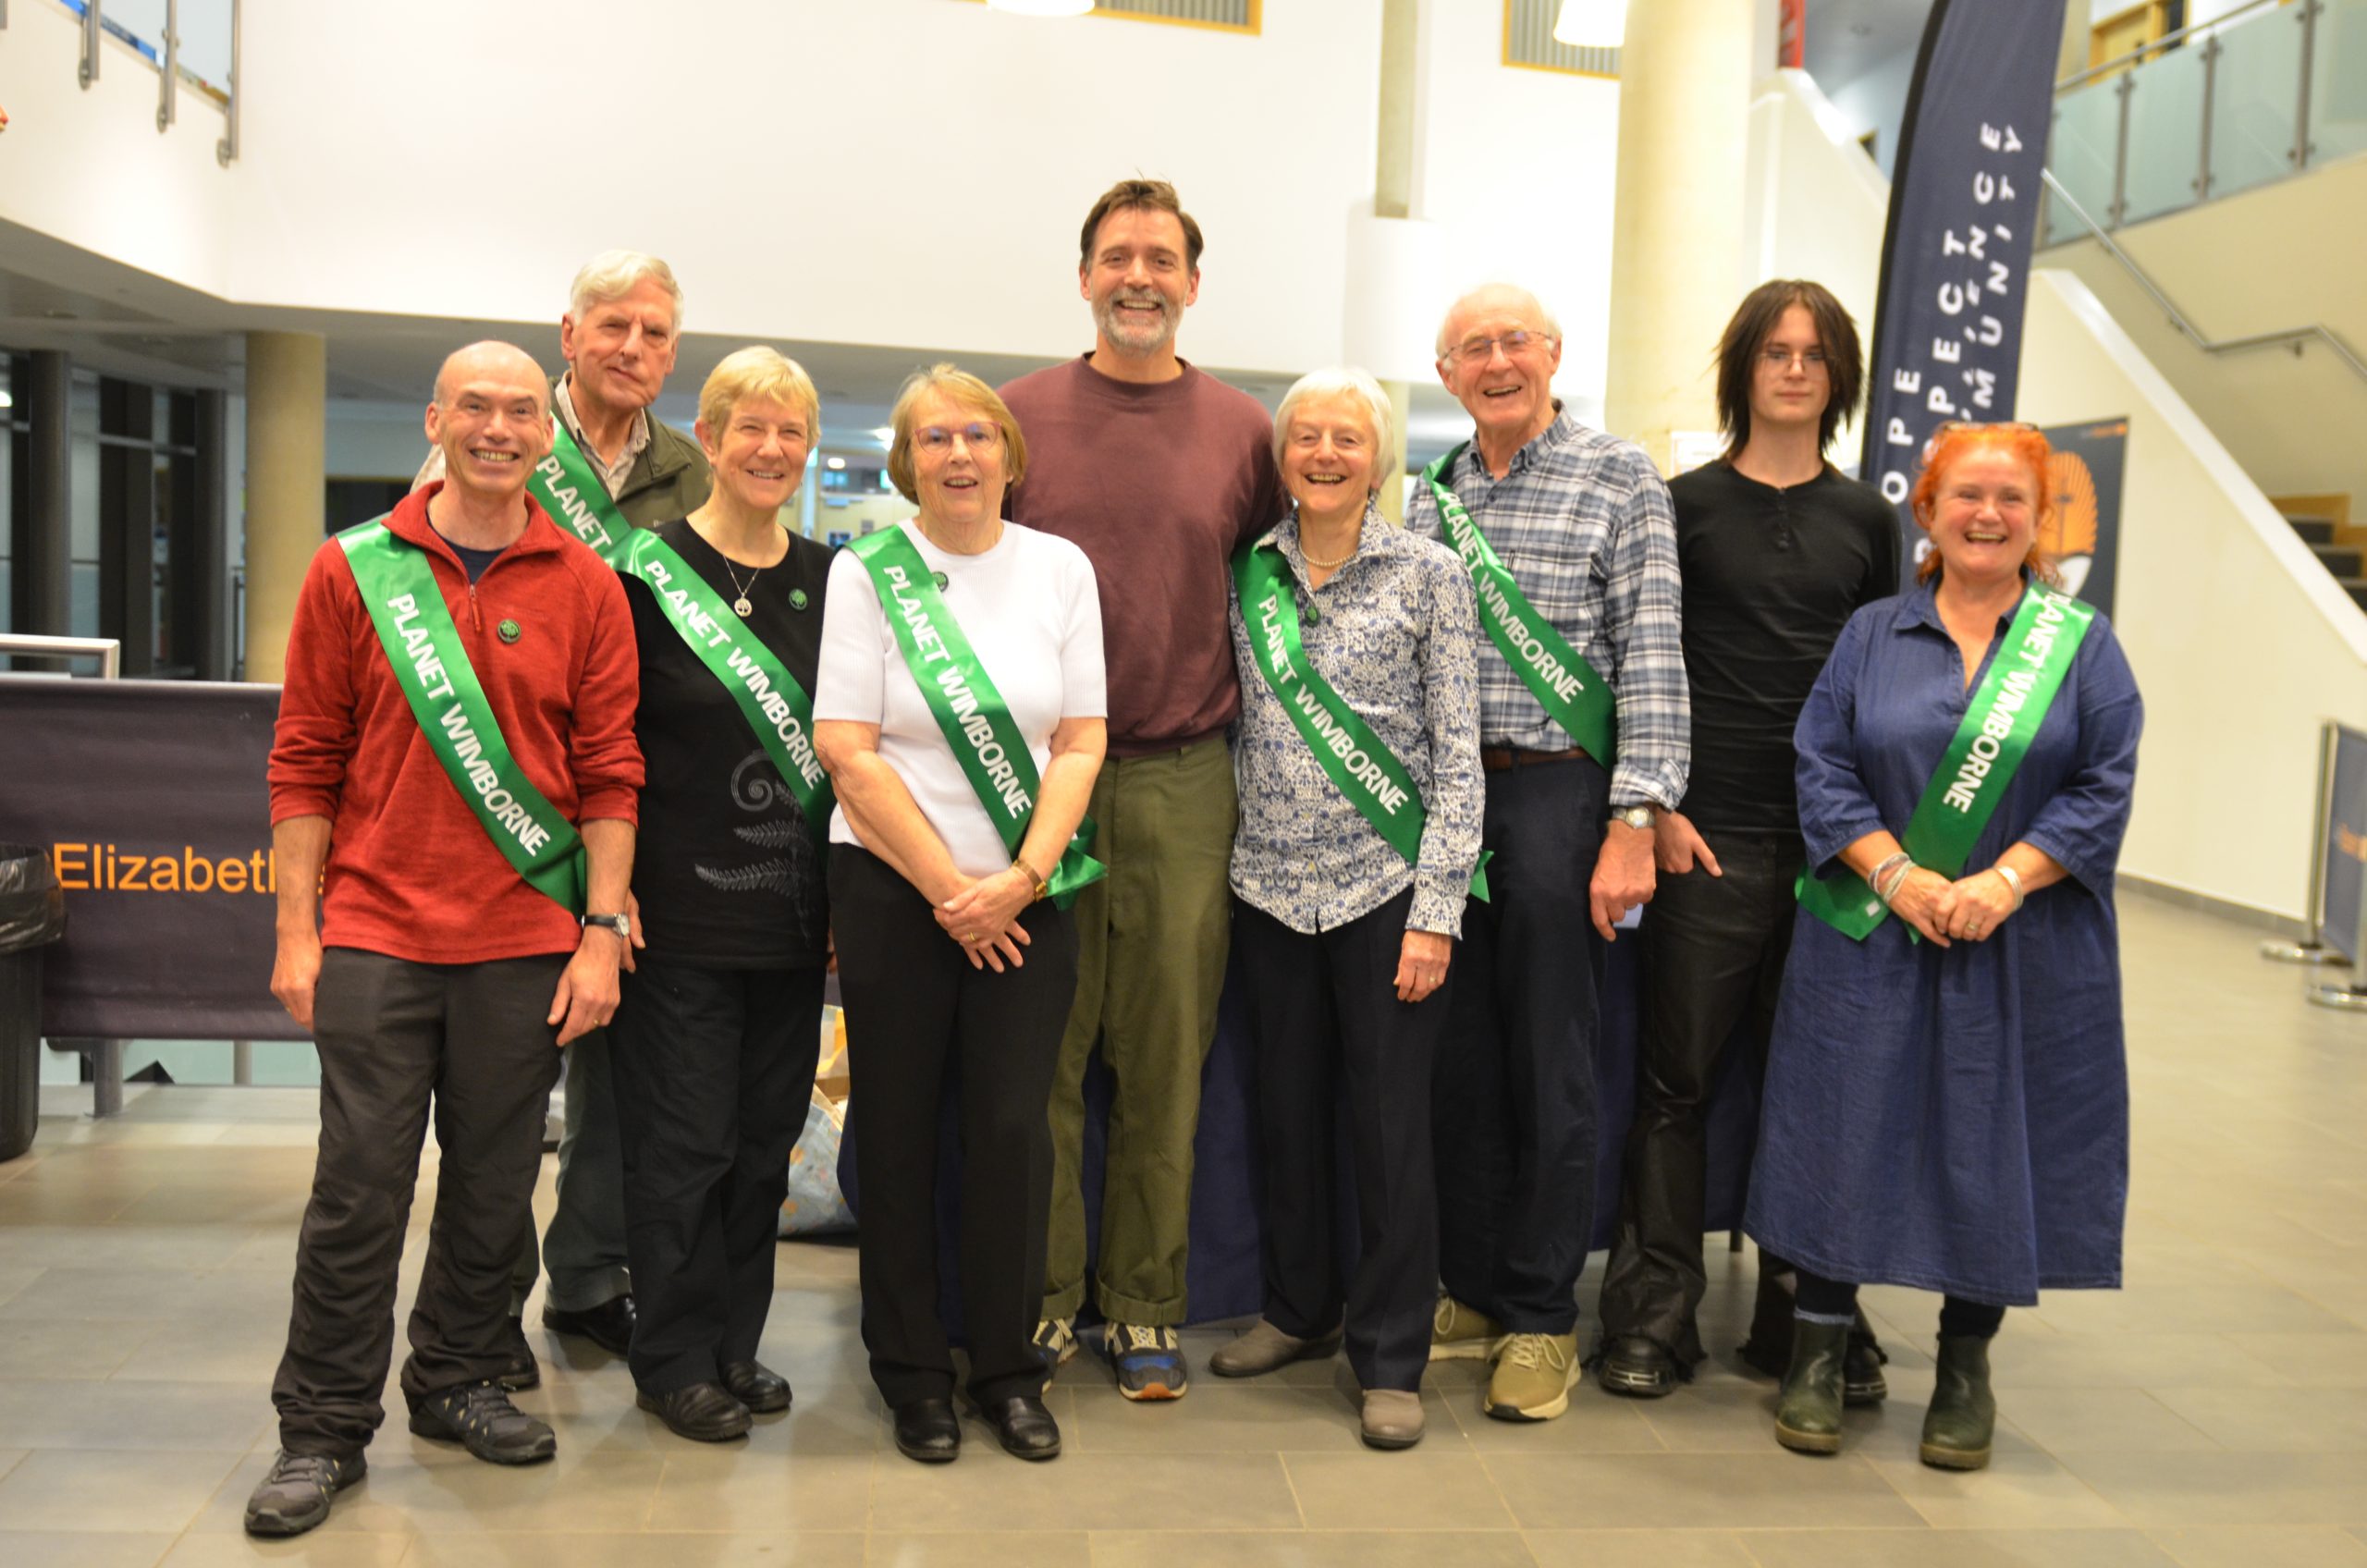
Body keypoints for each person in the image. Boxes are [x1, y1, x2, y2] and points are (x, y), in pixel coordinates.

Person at [248, 342, 642, 1536]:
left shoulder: (586, 583)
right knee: (358, 1192)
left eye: (523, 410)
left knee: (490, 1188)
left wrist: (603, 932)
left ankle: (460, 1378)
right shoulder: (352, 569)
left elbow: (612, 775)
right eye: (477, 405)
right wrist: (296, 931)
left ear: (545, 435)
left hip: (525, 937)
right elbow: (304, 758)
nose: (500, 427)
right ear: (437, 418)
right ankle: (320, 1430)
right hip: (375, 930)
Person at [1747, 423, 2142, 1469]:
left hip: (2020, 938)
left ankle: (1966, 1365)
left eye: (2013, 498)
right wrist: (1899, 871)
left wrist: (2006, 878)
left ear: (2036, 519)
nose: (1988, 516)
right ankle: (1819, 1351)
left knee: (1993, 1131)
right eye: (1967, 495)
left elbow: (2105, 779)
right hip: (1873, 929)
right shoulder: (1873, 633)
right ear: (1926, 510)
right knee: (1844, 1123)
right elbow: (1820, 763)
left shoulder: (2081, 644)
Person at [999, 178, 1282, 1399]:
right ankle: (1046, 1301)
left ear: (1193, 284)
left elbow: (1271, 582)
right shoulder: (1012, 418)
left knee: (1164, 1059)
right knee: (1045, 1059)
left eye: (1161, 258)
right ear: (1083, 277)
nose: (1139, 277)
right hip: (1036, 782)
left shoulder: (1243, 432)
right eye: (1117, 256)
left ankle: (1147, 1307)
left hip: (1180, 776)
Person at [1595, 281, 1899, 1402]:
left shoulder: (1870, 520)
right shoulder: (1680, 504)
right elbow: (1641, 657)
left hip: (1832, 848)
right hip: (1702, 838)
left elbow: (1886, 678)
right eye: (1774, 351)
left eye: (1814, 356)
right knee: (1675, 1084)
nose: (1793, 371)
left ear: (1838, 378)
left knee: (1811, 1084)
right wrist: (1655, 805)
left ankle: (1801, 1314)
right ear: (1742, 368)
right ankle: (1654, 1313)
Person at [416, 250, 710, 1374]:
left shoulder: (691, 468)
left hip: (634, 797)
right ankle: (474, 1320)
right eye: (613, 326)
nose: (633, 347)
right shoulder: (507, 441)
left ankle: (589, 1276)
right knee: (497, 1092)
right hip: (503, 799)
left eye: (655, 333)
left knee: (618, 1065)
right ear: (569, 332)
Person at [814, 365, 1107, 1464]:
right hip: (896, 895)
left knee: (1009, 1136)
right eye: (933, 437)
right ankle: (911, 1374)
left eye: (977, 434)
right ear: (907, 461)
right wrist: (951, 889)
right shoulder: (866, 574)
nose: (958, 455)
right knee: (893, 1134)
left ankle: (1004, 1369)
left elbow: (1081, 738)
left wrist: (1021, 878)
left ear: (1008, 454)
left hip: (1028, 897)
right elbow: (846, 747)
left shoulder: (1060, 569)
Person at [1407, 282, 1688, 1424]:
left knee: (1553, 1067)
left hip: (1561, 801)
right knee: (1462, 1060)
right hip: (1448, 803)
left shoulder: (1620, 474)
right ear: (1447, 376)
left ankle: (1539, 1315)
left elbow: (1653, 651)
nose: (1496, 361)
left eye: (1513, 340)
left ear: (1554, 353)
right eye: (1472, 348)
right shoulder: (1432, 497)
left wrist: (1635, 818)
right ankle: (1472, 1289)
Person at [1207, 369, 1481, 1451]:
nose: (1325, 453)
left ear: (1378, 457)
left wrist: (1436, 909)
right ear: (1282, 458)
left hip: (1384, 888)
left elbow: (1459, 760)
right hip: (1265, 884)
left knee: (1386, 1129)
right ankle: (1296, 1309)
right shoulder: (1247, 575)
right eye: (1306, 437)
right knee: (1286, 1114)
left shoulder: (1429, 576)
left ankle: (1390, 1355)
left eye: (1346, 438)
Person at [607, 348, 836, 1442]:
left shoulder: (835, 583)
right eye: (749, 426)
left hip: (792, 921)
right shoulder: (643, 575)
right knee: (682, 1148)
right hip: (678, 914)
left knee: (761, 1147)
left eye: (790, 430)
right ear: (707, 436)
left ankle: (734, 1345)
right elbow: (599, 744)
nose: (770, 448)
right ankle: (671, 1355)